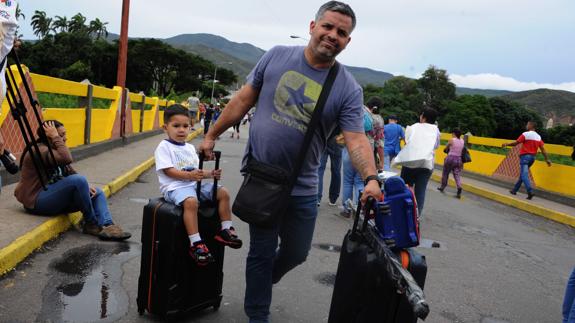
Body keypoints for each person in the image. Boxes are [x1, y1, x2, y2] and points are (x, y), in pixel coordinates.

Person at [198, 2, 381, 322]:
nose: (332, 35)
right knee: (261, 250)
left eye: (341, 32)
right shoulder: (277, 56)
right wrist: (211, 135)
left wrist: (371, 178)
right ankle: (258, 314)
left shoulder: (348, 88)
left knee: (297, 252)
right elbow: (242, 100)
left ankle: (263, 280)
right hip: (262, 177)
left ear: (348, 41)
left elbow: (356, 138)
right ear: (313, 27)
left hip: (304, 186)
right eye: (328, 27)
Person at [154, 104, 242, 266]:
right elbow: (168, 171)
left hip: (193, 186)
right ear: (165, 127)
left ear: (191, 127)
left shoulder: (189, 148)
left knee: (223, 193)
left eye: (185, 126)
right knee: (191, 202)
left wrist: (210, 174)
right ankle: (195, 242)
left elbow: (196, 171)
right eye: (176, 126)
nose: (181, 130)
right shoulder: (164, 147)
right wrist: (189, 175)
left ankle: (225, 229)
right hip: (174, 187)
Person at [14, 120, 131, 241]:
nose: (64, 138)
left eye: (64, 134)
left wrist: (86, 186)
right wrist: (55, 137)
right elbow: (66, 158)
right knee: (78, 180)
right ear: (49, 137)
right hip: (36, 201)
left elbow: (70, 171)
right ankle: (91, 224)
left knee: (97, 192)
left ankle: (109, 226)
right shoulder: (39, 151)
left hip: (52, 197)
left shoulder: (54, 149)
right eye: (61, 135)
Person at [399, 108, 440, 216]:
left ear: (423, 117)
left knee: (405, 187)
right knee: (420, 192)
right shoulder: (436, 130)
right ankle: (416, 216)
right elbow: (436, 146)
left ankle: (402, 213)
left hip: (410, 162)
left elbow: (407, 142)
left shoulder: (413, 127)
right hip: (426, 164)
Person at [501, 121, 551, 200]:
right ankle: (514, 190)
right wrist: (547, 159)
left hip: (525, 157)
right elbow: (543, 149)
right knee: (522, 175)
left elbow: (516, 143)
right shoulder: (538, 137)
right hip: (532, 158)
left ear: (531, 125)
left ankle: (530, 191)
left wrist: (506, 144)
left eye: (527, 124)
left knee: (524, 175)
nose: (526, 126)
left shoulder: (525, 134)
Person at [340, 110, 373, 218]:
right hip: (362, 151)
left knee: (347, 181)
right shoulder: (367, 114)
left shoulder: (350, 112)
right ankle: (358, 209)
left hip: (348, 149)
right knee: (359, 181)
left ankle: (346, 209)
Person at [317, 130, 343, 207]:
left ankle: (317, 198)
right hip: (338, 139)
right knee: (336, 171)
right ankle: (333, 198)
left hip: (326, 136)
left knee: (320, 169)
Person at [437, 129, 464, 198]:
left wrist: (447, 147)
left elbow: (446, 148)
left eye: (452, 133)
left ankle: (442, 187)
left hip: (450, 158)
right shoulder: (462, 141)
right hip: (458, 159)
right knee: (457, 174)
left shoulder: (452, 140)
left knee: (445, 173)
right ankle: (459, 187)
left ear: (454, 134)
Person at [366, 97, 385, 170]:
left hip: (350, 151)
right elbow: (379, 142)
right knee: (362, 180)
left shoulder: (359, 112)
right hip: (367, 152)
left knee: (348, 180)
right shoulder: (378, 119)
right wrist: (382, 161)